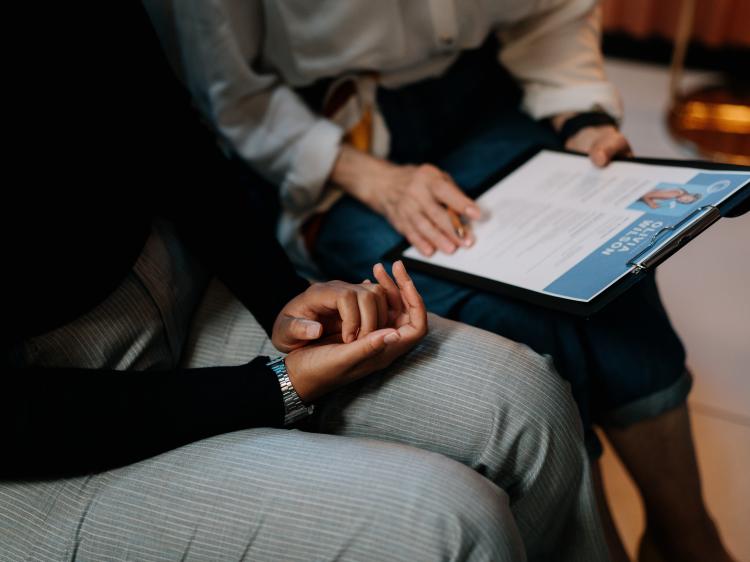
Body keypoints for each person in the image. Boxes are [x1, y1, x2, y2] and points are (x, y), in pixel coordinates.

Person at [0, 4, 609, 561]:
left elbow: (165, 125)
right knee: (452, 527)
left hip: (182, 285)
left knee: (530, 402)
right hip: (40, 431)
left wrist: (280, 297)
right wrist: (276, 388)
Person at [149, 1, 738, 560]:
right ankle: (597, 540)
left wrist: (581, 117)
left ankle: (687, 535)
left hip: (476, 93)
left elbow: (552, 13)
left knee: (612, 275)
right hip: (328, 135)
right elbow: (233, 95)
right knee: (512, 322)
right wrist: (371, 177)